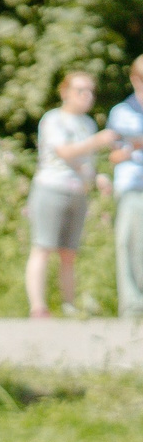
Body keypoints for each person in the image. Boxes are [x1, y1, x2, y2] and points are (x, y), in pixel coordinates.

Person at [27, 69, 121, 318]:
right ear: (65, 92)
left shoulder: (87, 124)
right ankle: (38, 307)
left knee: (69, 252)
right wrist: (98, 141)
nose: (87, 96)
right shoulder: (53, 119)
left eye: (90, 91)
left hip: (77, 191)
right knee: (43, 247)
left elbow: (82, 162)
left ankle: (69, 306)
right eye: (80, 90)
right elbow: (65, 152)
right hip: (51, 188)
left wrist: (97, 177)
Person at [105, 56, 143, 320]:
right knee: (129, 245)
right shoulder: (122, 112)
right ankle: (132, 307)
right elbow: (114, 154)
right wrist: (134, 146)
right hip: (133, 186)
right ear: (134, 78)